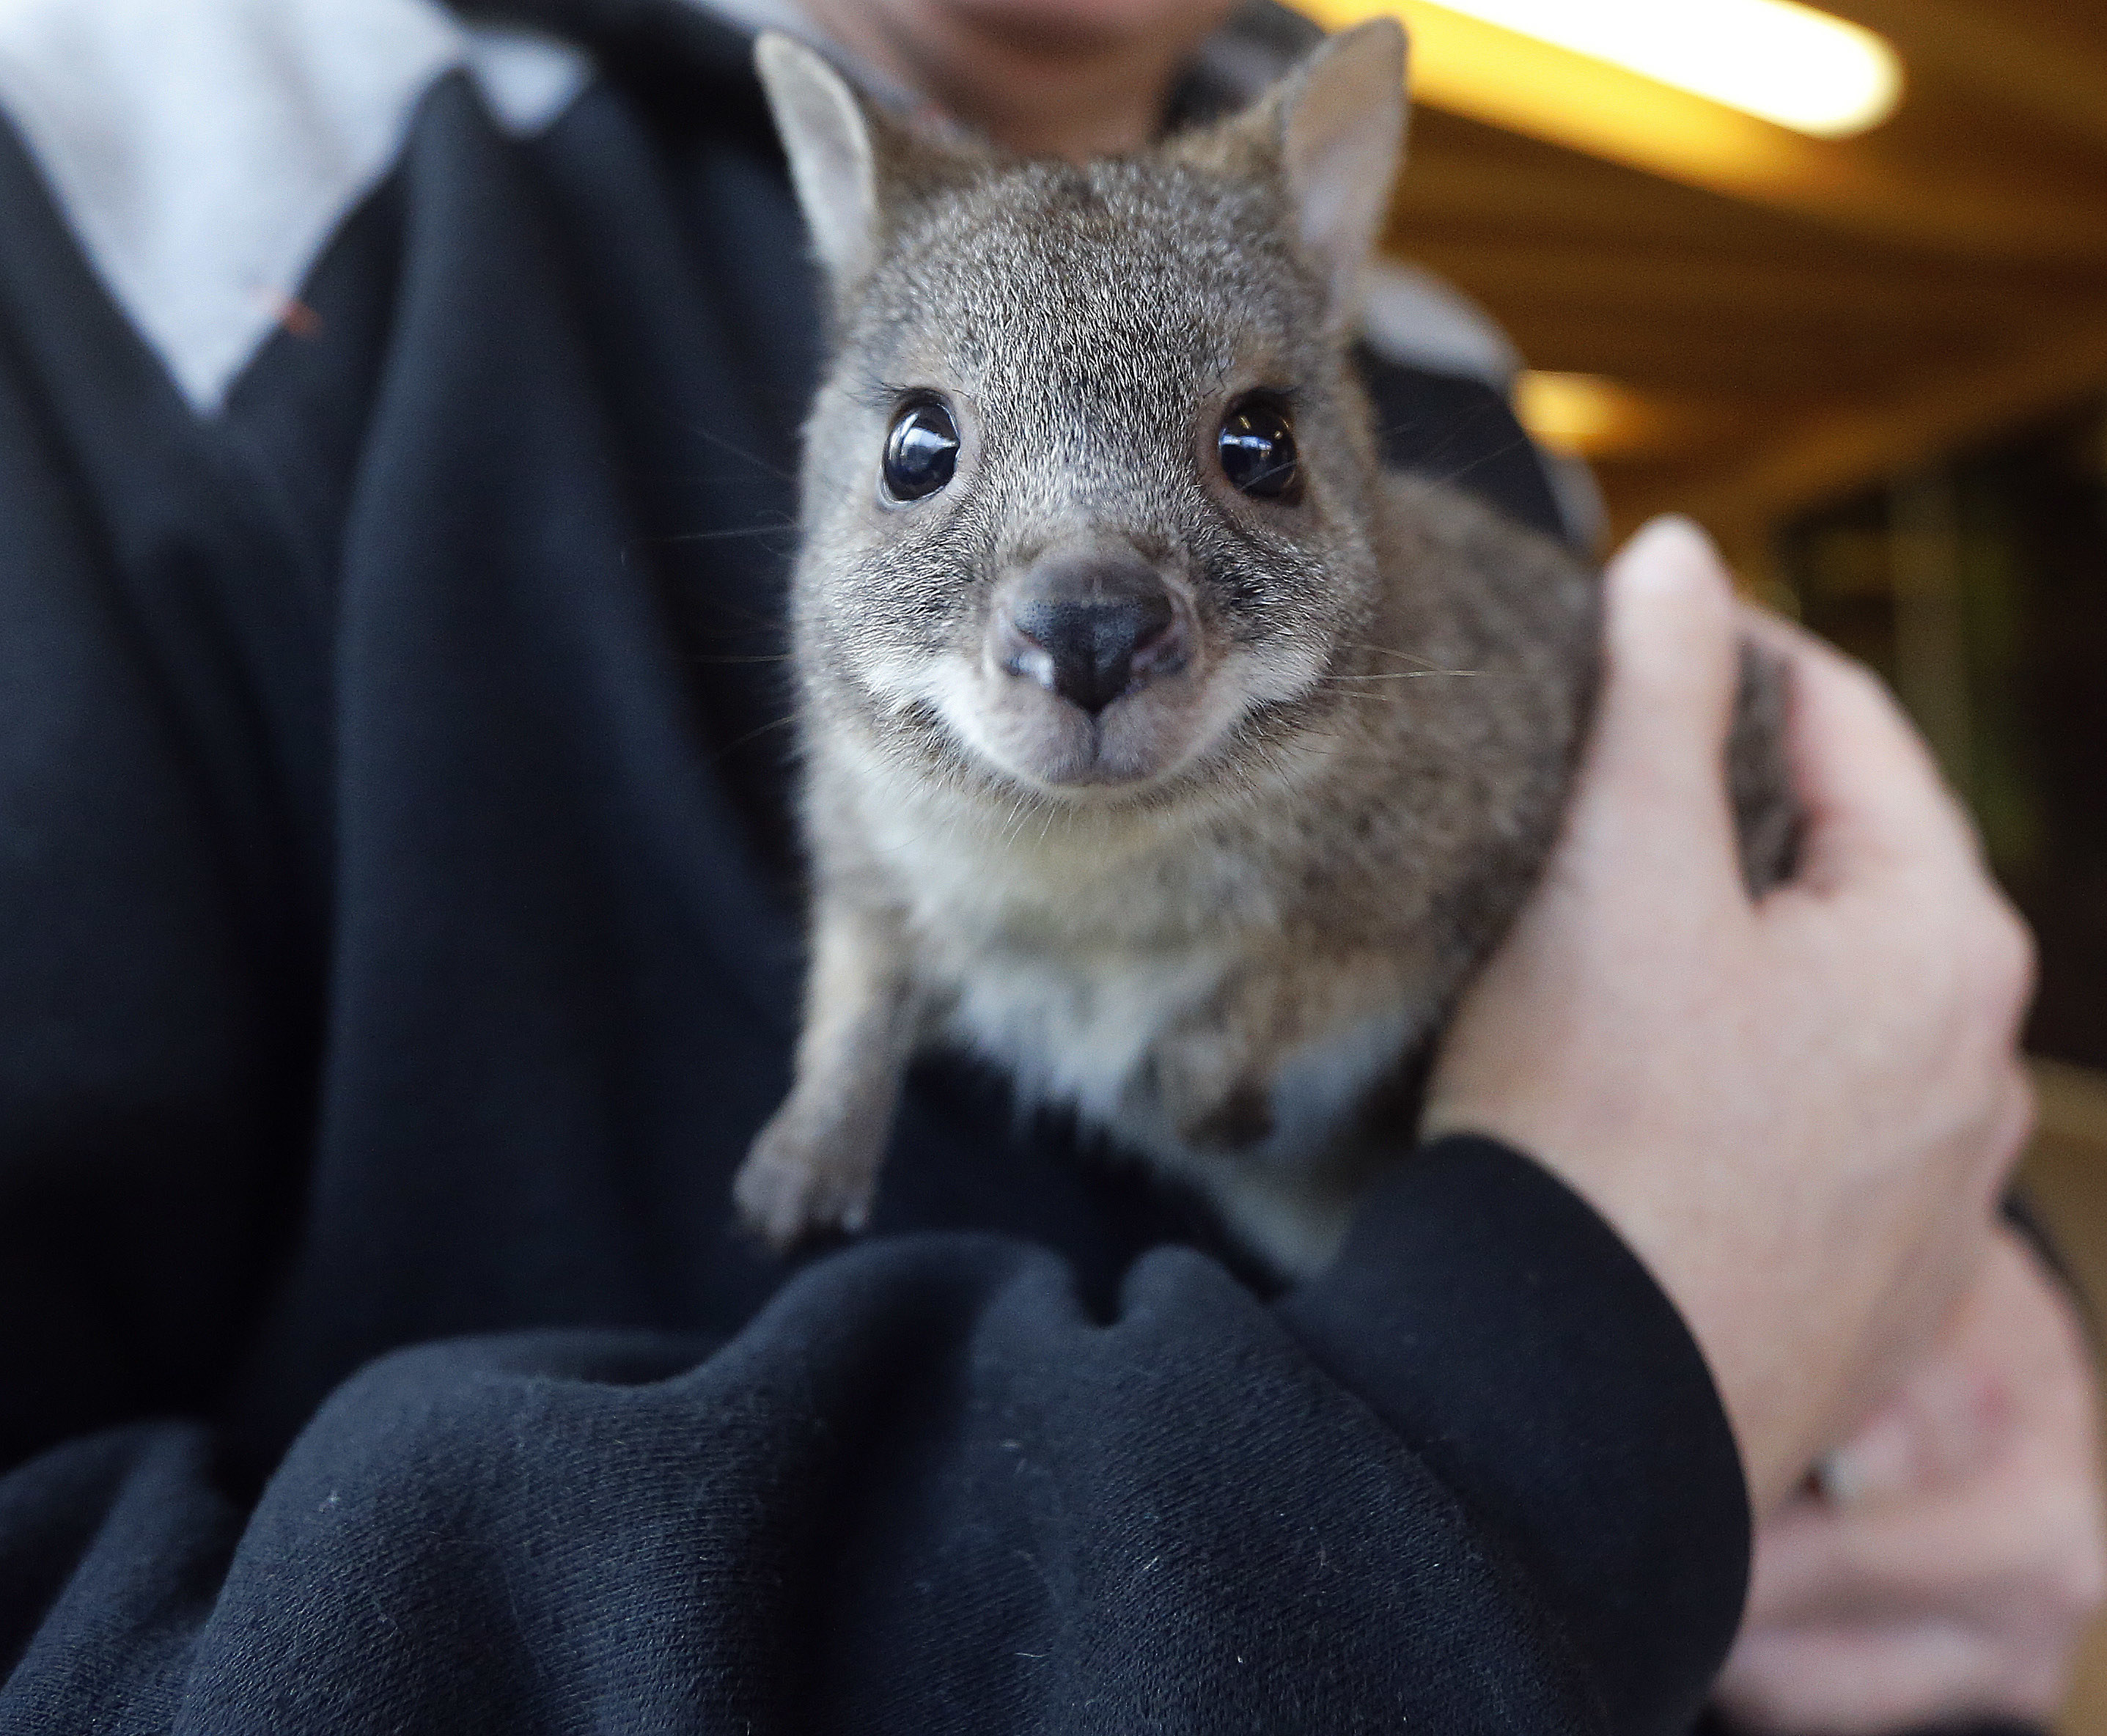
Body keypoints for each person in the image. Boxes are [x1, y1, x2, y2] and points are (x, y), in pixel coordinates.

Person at [0, 0, 2094, 1731]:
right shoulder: (156, 175)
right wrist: (1536, 1420)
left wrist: (1953, 1268)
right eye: (925, 454)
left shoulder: (1438, 372)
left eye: (1253, 450)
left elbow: (1727, 1004)